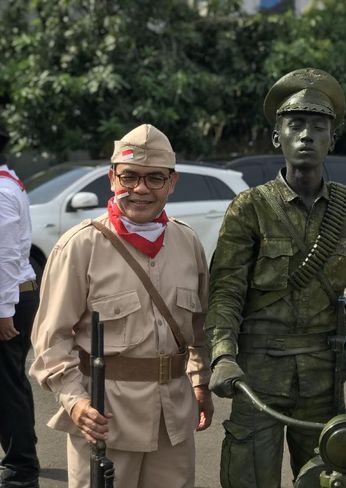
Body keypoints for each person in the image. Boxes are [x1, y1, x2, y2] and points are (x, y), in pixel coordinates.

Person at [205, 67, 346, 488]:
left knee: (328, 481)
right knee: (249, 480)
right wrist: (223, 355)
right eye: (295, 125)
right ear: (278, 137)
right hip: (257, 377)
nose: (307, 135)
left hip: (323, 376)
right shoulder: (250, 208)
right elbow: (226, 291)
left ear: (333, 138)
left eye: (319, 126)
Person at [29, 124, 214, 488]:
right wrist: (76, 403)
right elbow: (51, 340)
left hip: (173, 420)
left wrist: (200, 382)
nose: (140, 189)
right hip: (105, 416)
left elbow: (199, 328)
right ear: (112, 178)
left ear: (171, 183)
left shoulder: (187, 242)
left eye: (154, 178)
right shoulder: (81, 246)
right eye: (129, 176)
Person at [0, 154, 40, 488]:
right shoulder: (8, 181)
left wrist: (3, 311)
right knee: (11, 382)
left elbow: (5, 256)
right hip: (16, 296)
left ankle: (20, 468)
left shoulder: (0, 190)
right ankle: (24, 455)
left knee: (6, 387)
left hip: (9, 300)